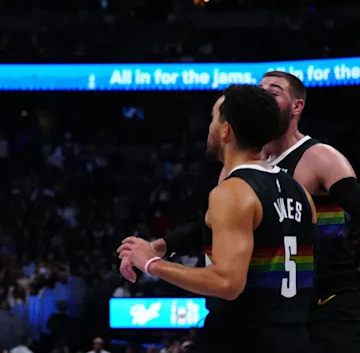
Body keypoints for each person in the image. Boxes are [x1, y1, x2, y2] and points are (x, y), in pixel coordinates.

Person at [123, 71, 360, 349]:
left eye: (273, 91)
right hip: (287, 313)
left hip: (322, 303)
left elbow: (227, 281)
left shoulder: (318, 158)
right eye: (260, 89)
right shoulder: (284, 186)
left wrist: (152, 263)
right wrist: (162, 246)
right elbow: (218, 226)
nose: (263, 94)